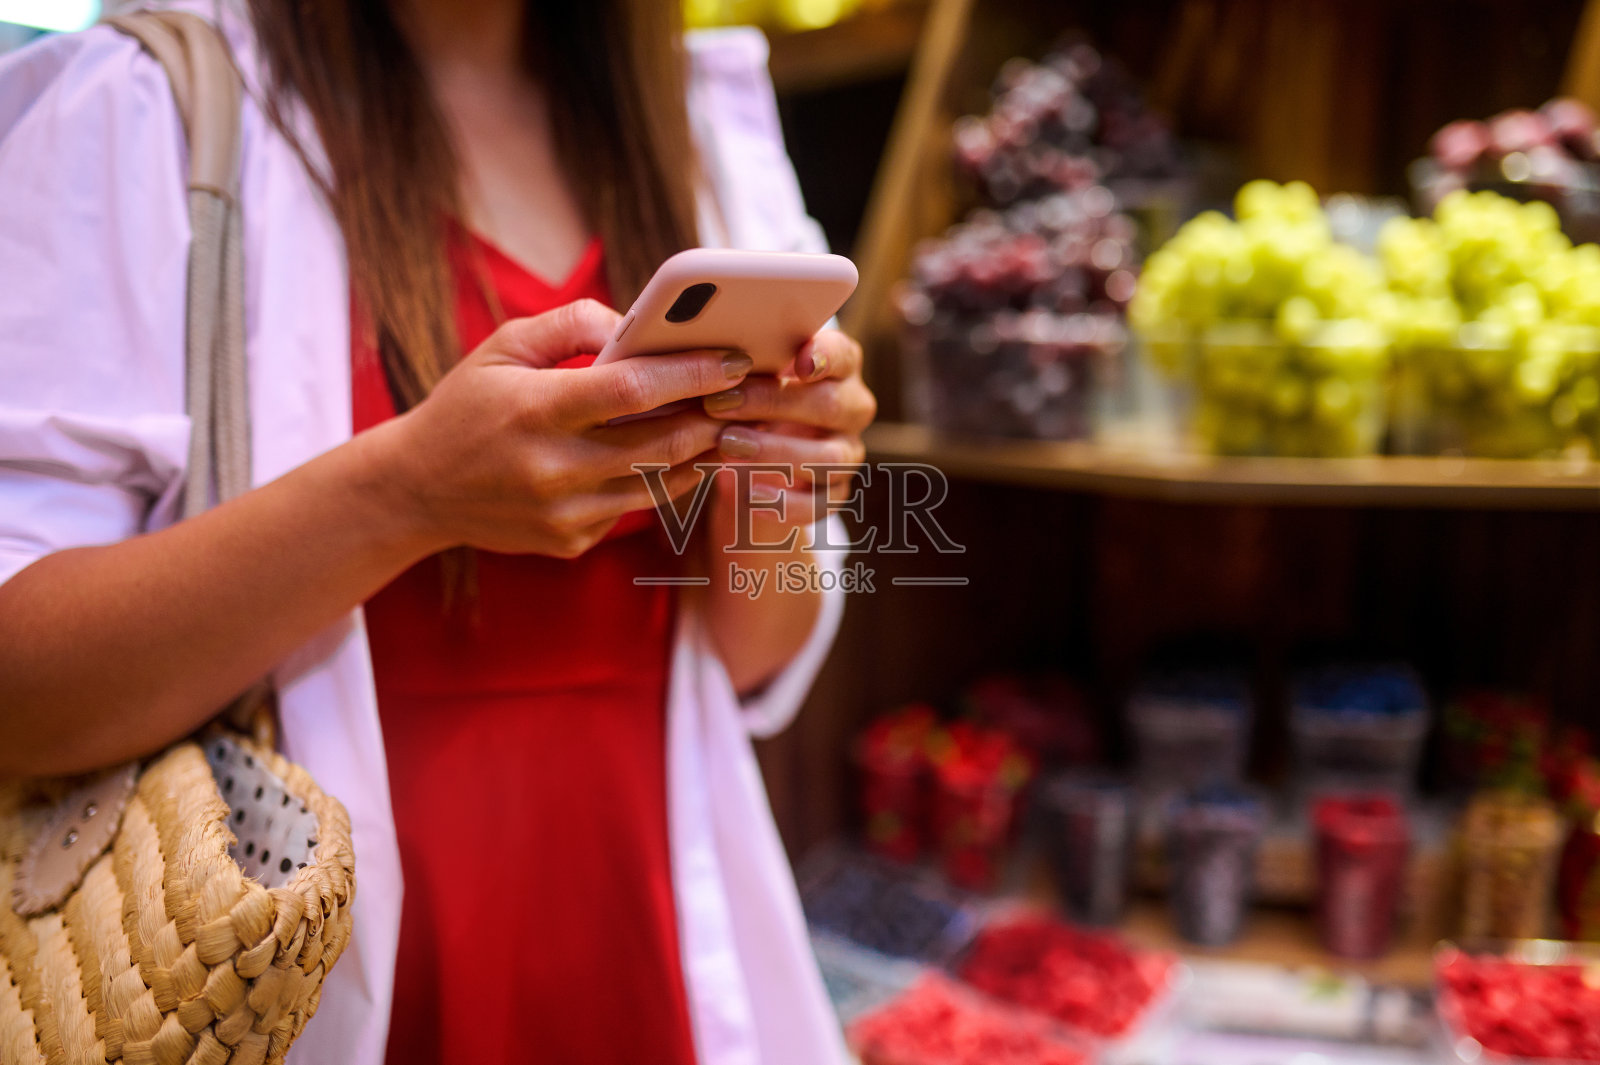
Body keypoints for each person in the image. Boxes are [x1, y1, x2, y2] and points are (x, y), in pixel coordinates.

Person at [0, 0, 875, 1063]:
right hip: (296, 959)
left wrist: (778, 478)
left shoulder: (696, 123)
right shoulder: (147, 103)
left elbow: (750, 656)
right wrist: (401, 498)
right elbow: (20, 684)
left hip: (649, 925)